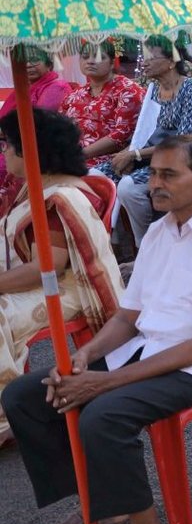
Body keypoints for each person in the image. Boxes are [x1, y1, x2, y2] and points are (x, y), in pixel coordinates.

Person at [1, 135, 192, 524]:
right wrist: (83, 357)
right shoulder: (161, 231)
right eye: (153, 173)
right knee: (26, 395)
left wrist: (104, 381)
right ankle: (103, 506)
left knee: (104, 414)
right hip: (149, 345)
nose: (155, 184)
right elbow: (127, 317)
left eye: (168, 175)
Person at [0, 111, 123, 450]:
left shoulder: (59, 196)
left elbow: (46, 269)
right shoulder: (41, 185)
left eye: (7, 144)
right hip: (45, 281)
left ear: (31, 151)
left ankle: (6, 420)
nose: (4, 152)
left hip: (66, 290)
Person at [113, 38, 192, 247]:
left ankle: (146, 245)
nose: (144, 62)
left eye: (151, 57)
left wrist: (135, 155)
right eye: (144, 57)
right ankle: (108, 243)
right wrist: (128, 153)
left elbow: (184, 142)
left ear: (171, 61)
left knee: (128, 188)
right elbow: (143, 131)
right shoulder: (153, 89)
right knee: (100, 174)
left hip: (181, 159)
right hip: (149, 155)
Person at [61, 41, 143, 177]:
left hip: (106, 159)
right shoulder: (76, 94)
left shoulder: (127, 90)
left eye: (98, 57)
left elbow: (122, 135)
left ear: (112, 63)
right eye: (85, 57)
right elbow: (59, 126)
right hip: (69, 156)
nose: (90, 61)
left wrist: (79, 154)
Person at [0, 47, 73, 118]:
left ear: (49, 65)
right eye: (23, 61)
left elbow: (41, 120)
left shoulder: (57, 87)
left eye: (35, 60)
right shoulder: (24, 88)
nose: (28, 65)